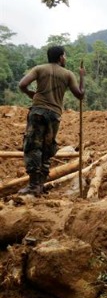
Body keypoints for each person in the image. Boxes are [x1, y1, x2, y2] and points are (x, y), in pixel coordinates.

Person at [17, 45, 85, 196]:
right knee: (47, 149)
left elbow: (22, 85)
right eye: (65, 56)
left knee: (33, 147)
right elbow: (80, 95)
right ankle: (39, 185)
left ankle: (34, 185)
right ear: (60, 57)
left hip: (38, 112)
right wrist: (82, 76)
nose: (65, 58)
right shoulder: (68, 74)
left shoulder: (39, 69)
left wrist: (30, 93)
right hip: (54, 116)